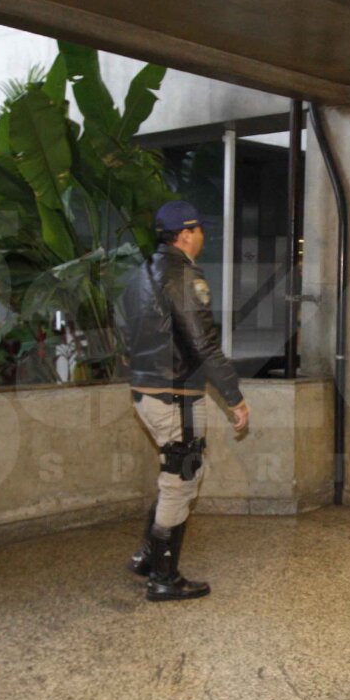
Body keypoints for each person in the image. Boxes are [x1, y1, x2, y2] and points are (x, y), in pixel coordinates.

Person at [118, 200, 250, 601]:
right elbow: (201, 341)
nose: (203, 237)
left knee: (172, 475)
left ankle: (147, 556)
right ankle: (164, 578)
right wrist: (234, 396)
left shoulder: (141, 273)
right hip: (176, 396)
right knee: (182, 481)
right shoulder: (183, 277)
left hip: (147, 390)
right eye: (200, 230)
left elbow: (126, 330)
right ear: (187, 233)